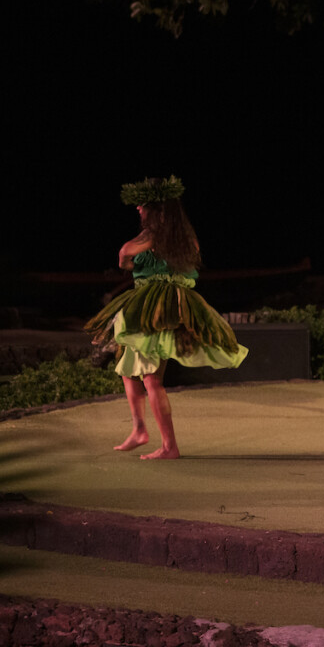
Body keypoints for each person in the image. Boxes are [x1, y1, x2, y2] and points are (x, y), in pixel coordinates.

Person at [85, 176, 247, 460]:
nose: (138, 209)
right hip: (165, 307)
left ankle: (169, 446)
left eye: (143, 205)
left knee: (151, 379)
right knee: (128, 368)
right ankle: (139, 430)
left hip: (152, 310)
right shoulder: (186, 240)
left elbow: (125, 255)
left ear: (158, 211)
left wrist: (133, 256)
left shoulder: (149, 237)